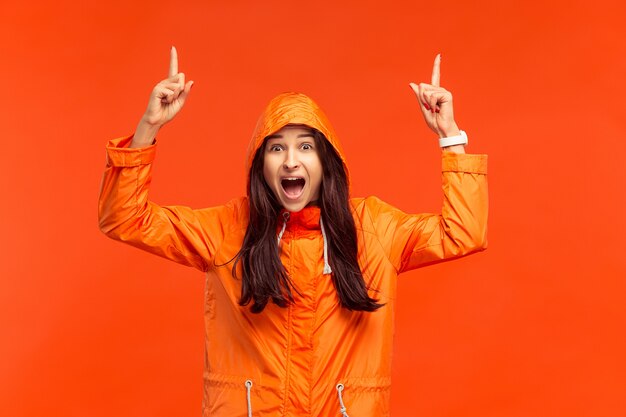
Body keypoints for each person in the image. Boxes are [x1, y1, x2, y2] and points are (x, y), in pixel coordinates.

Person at [98, 46, 488, 417]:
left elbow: (462, 233)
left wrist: (450, 137)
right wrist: (148, 127)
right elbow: (124, 218)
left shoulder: (373, 229)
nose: (290, 161)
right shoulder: (227, 230)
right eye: (276, 148)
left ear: (325, 159)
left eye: (305, 147)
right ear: (260, 163)